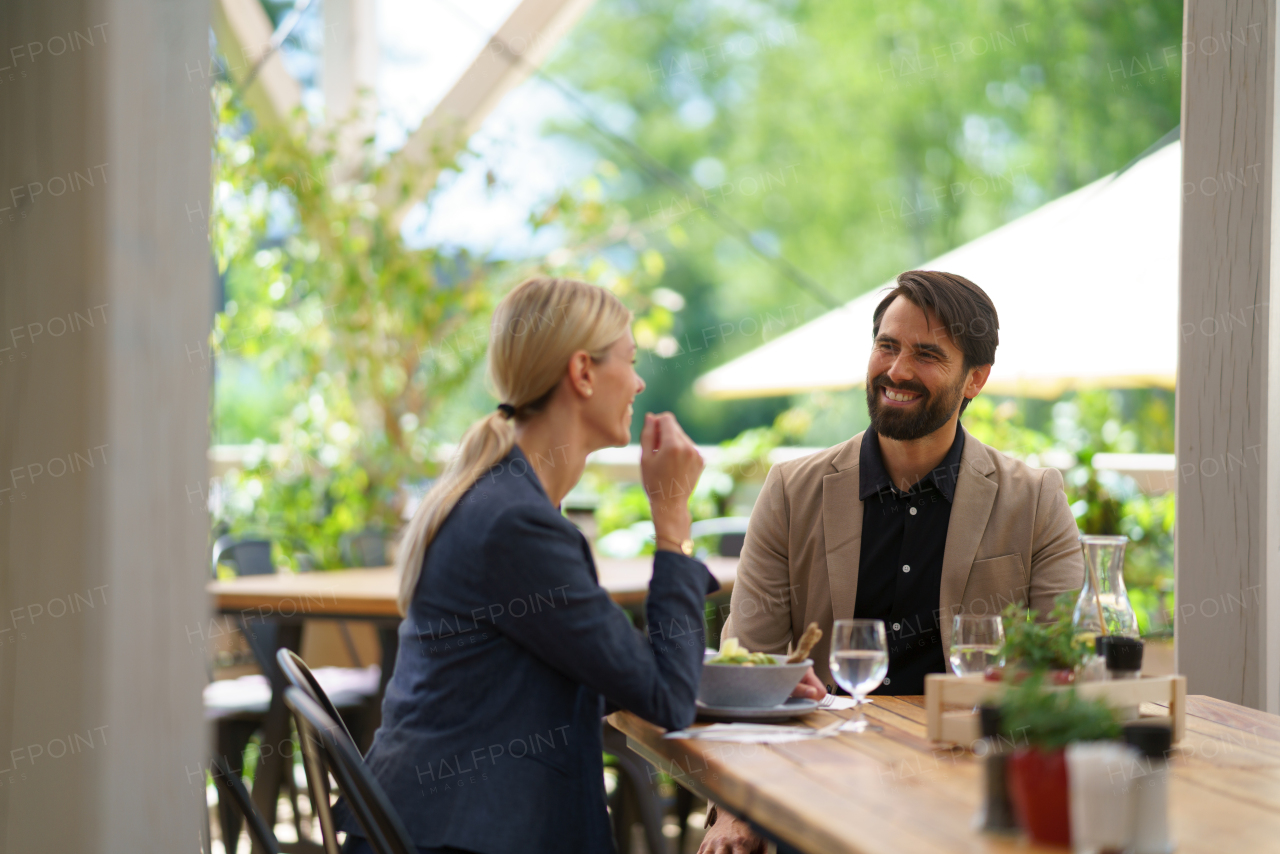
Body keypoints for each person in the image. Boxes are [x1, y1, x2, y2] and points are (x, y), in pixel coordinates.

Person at [699, 270, 1084, 853]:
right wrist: (734, 808)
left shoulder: (1034, 499)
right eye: (887, 346)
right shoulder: (790, 490)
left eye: (927, 354)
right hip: (817, 788)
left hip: (974, 793)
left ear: (975, 379)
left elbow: (1060, 671)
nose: (898, 371)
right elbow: (745, 672)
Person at [340, 276, 717, 854]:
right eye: (631, 361)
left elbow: (619, 669)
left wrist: (755, 683)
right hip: (454, 839)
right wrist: (672, 524)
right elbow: (664, 700)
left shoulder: (504, 498)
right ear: (583, 373)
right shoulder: (516, 524)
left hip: (430, 827)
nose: (639, 382)